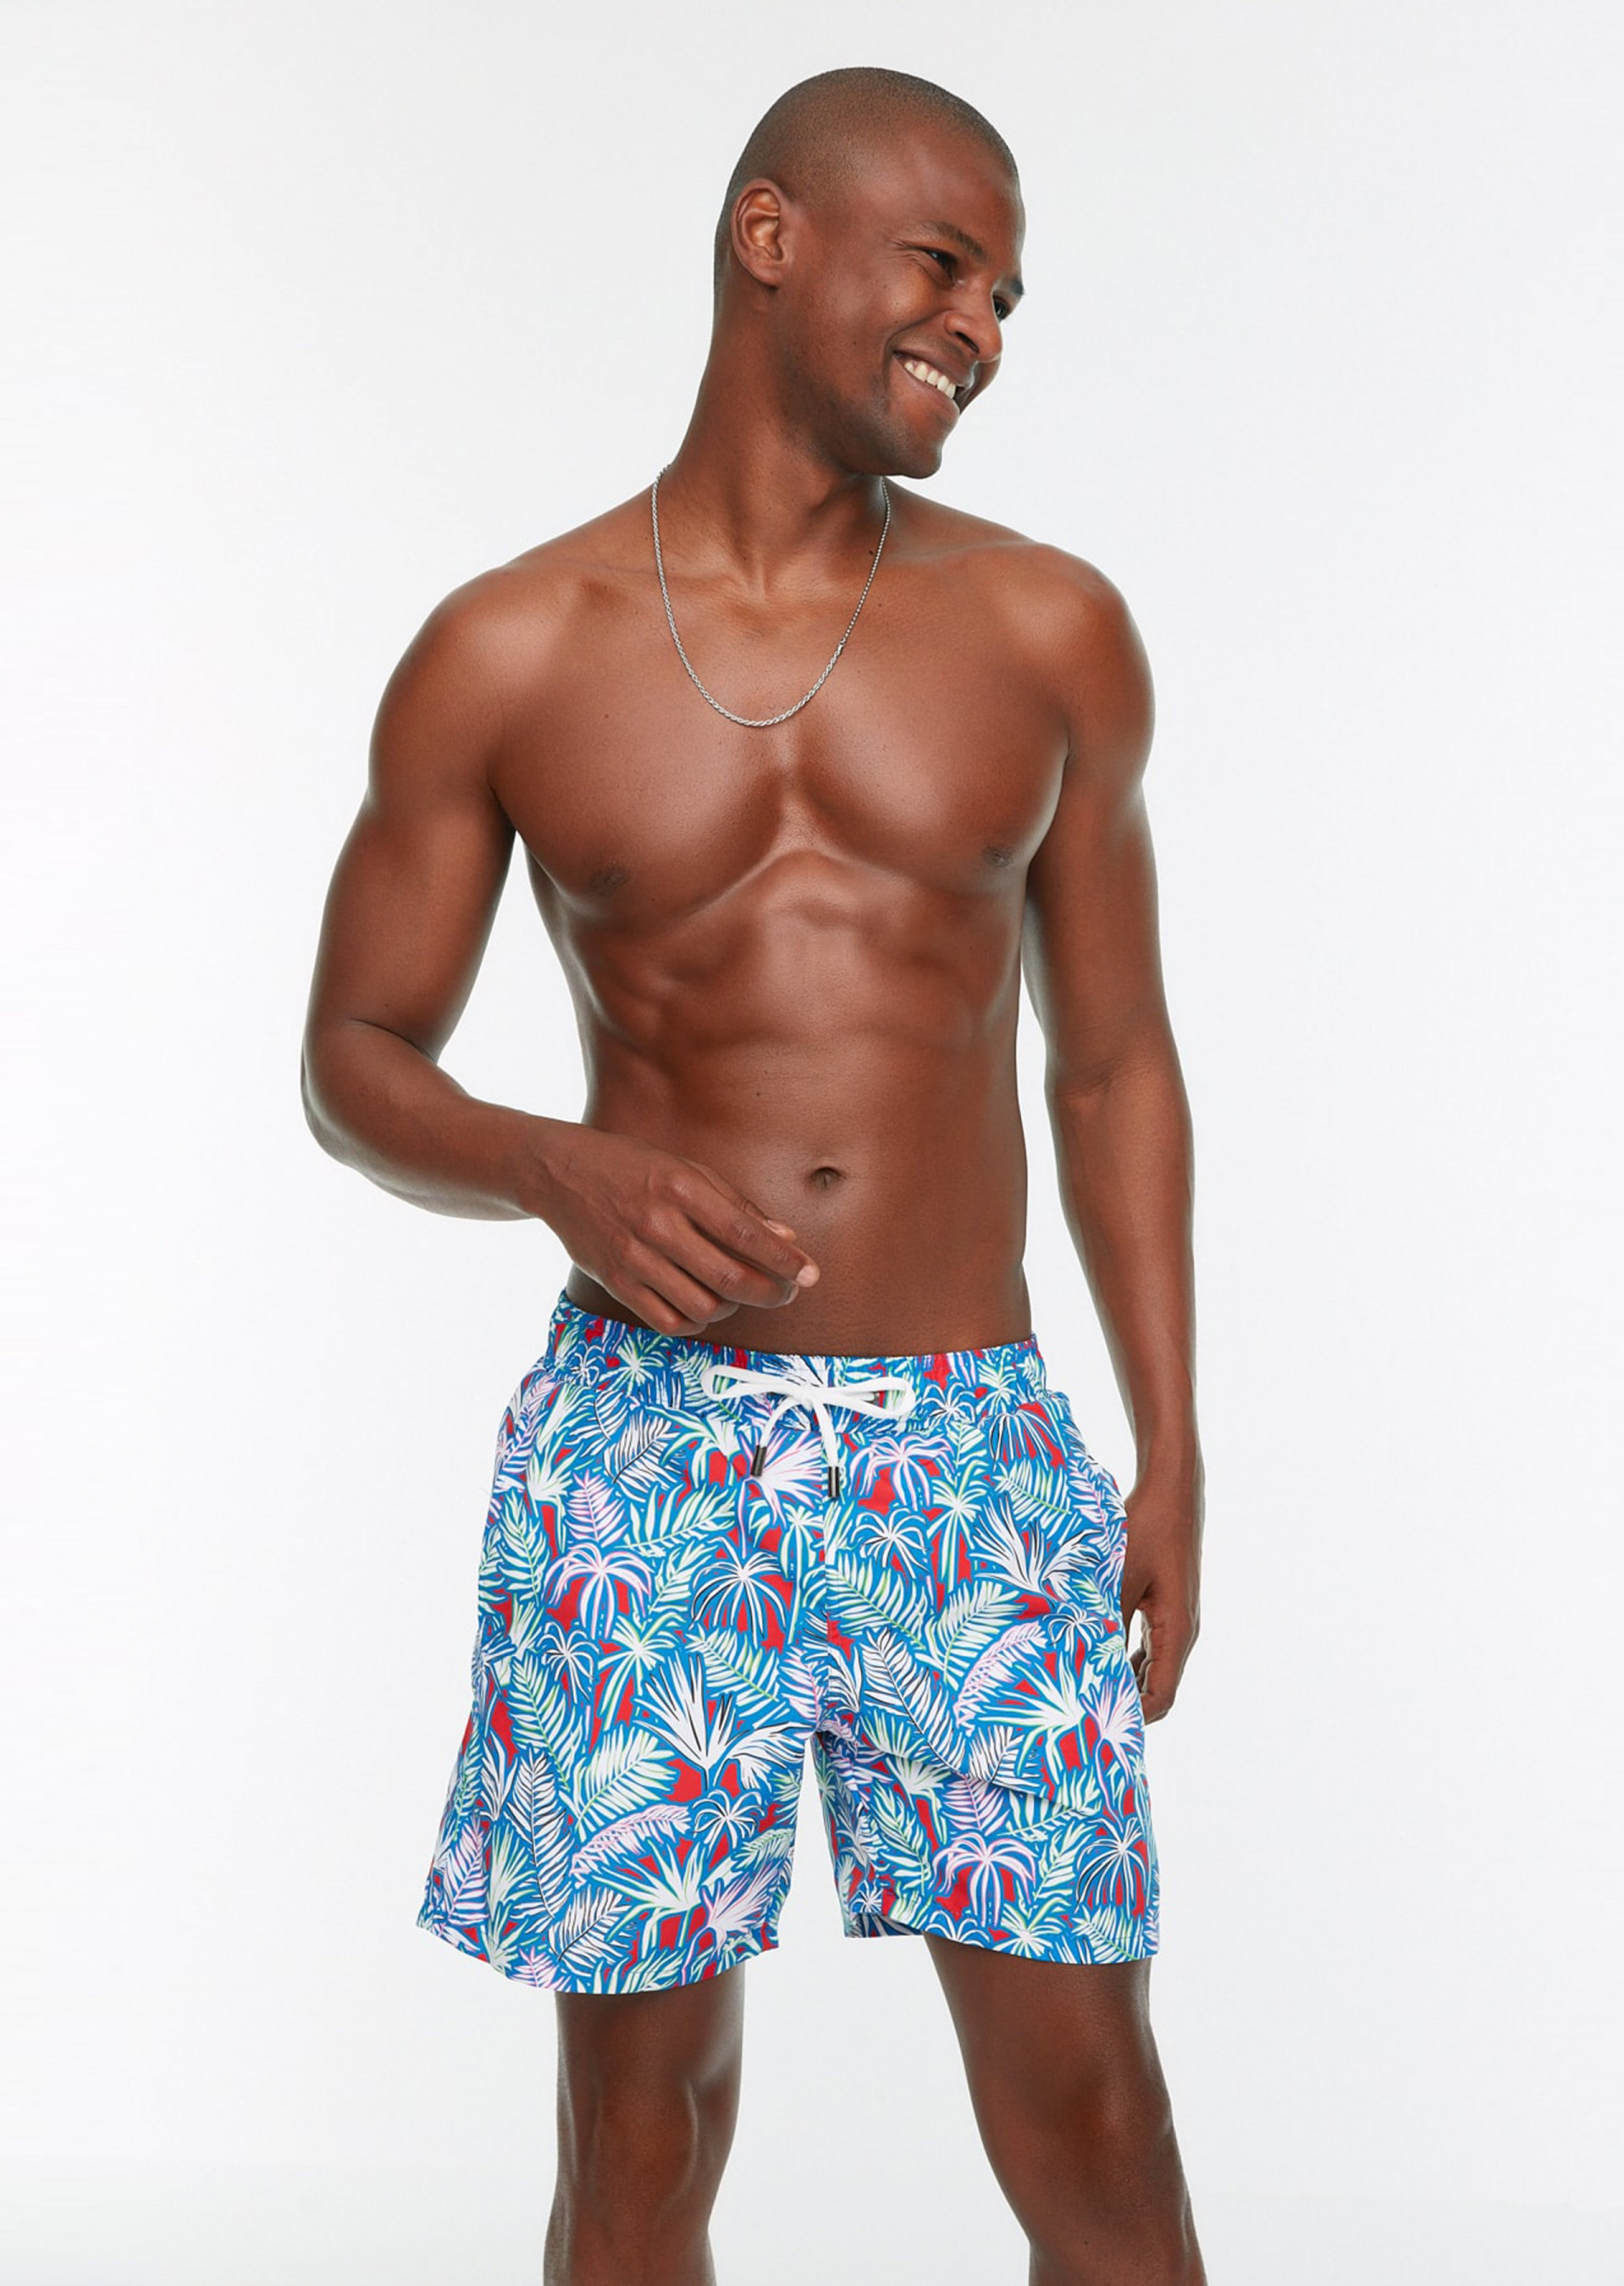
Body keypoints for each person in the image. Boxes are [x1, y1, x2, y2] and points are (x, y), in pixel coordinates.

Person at [301, 63, 1207, 2286]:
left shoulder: (1048, 631)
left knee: (1092, 2120)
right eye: (944, 265)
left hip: (969, 1450)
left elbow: (1110, 1062)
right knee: (640, 2139)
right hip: (642, 1449)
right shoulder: (512, 646)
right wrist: (556, 1170)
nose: (978, 327)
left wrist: (1170, 1442)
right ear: (771, 238)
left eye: (1005, 300)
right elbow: (352, 1057)